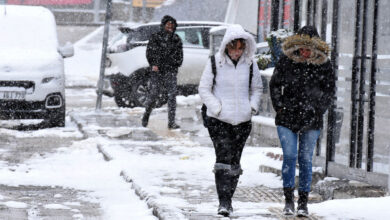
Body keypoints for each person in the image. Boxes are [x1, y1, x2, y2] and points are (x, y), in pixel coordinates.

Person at [269, 26, 335, 217]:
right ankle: (288, 200)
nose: (305, 53)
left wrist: (318, 110)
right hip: (287, 116)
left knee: (306, 159)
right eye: (302, 49)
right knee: (289, 155)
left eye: (309, 50)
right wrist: (280, 106)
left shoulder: (323, 65)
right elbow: (275, 84)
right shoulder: (286, 62)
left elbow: (329, 91)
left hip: (311, 119)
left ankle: (303, 203)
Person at [198, 24, 262, 217]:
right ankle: (223, 202)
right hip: (219, 120)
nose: (236, 52)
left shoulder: (250, 64)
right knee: (223, 158)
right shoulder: (214, 62)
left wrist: (251, 107)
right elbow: (204, 89)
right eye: (233, 48)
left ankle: (229, 199)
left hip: (242, 120)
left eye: (240, 48)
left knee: (235, 161)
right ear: (226, 46)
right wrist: (217, 108)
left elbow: (257, 88)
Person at [142, 15, 183, 129]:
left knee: (172, 96)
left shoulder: (176, 39)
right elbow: (150, 53)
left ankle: (171, 122)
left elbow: (179, 57)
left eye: (172, 25)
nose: (170, 27)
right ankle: (146, 115)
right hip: (158, 71)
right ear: (163, 25)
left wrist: (174, 65)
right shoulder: (155, 37)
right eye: (168, 25)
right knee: (154, 94)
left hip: (171, 71)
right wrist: (154, 64)